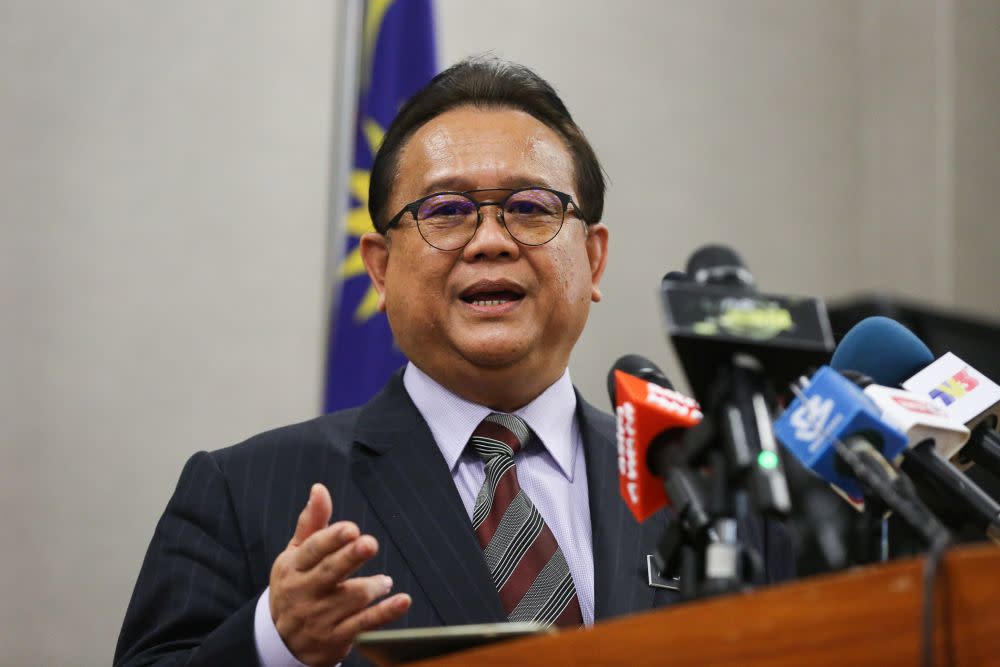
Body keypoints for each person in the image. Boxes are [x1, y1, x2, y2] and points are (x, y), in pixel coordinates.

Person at [114, 57, 793, 667]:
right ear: (379, 270)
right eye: (446, 210)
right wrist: (274, 641)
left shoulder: (716, 490)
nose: (491, 240)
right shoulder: (244, 491)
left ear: (593, 258)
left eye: (530, 207)